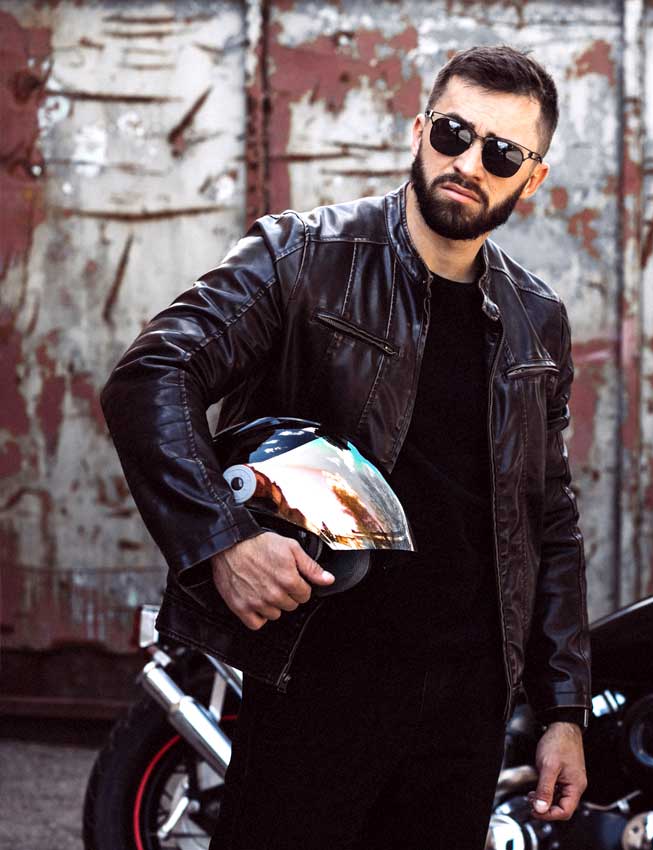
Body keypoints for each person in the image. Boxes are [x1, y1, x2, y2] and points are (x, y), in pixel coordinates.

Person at [101, 44, 590, 849]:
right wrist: (224, 538)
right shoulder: (304, 257)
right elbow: (152, 375)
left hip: (464, 712)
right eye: (453, 134)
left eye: (501, 153)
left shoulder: (538, 320)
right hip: (315, 684)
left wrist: (563, 709)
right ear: (419, 130)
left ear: (530, 179)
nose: (469, 163)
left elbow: (550, 520)